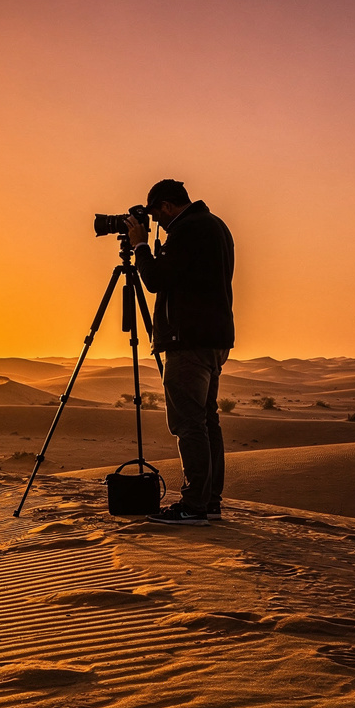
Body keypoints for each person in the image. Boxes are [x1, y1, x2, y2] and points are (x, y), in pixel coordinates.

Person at [125, 178, 235, 525]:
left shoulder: (187, 230)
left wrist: (141, 246)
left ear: (167, 206)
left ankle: (194, 505)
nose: (156, 222)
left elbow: (156, 280)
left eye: (157, 215)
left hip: (188, 341)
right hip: (214, 339)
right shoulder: (216, 226)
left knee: (188, 423)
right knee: (206, 420)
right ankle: (209, 501)